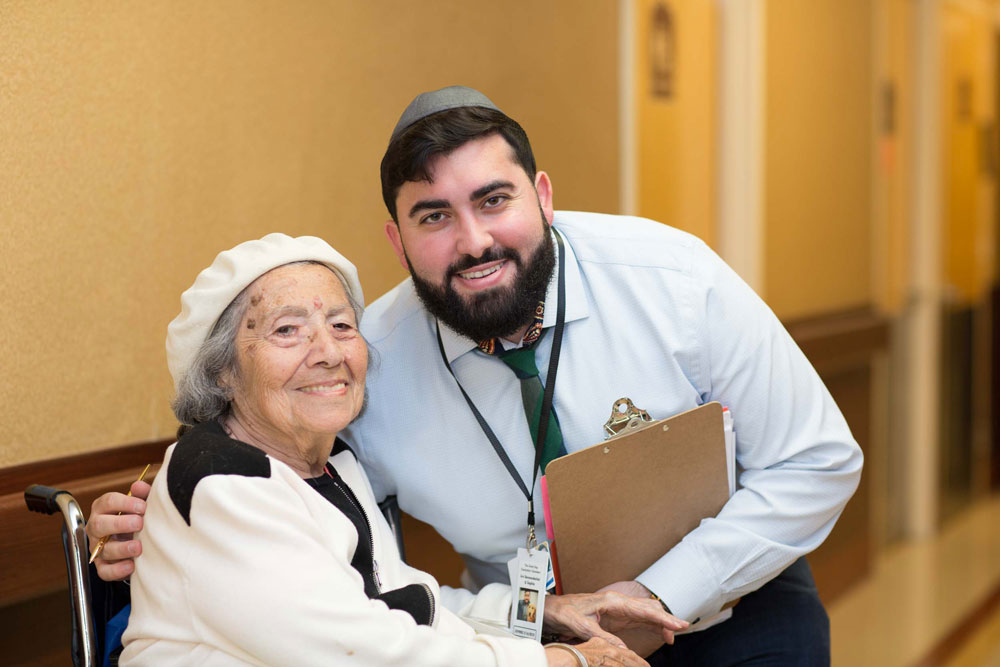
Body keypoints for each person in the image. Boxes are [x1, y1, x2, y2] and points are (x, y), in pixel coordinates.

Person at [91, 86, 862, 664]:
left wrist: (664, 590)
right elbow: (263, 465)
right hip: (527, 624)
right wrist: (141, 517)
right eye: (434, 216)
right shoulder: (364, 357)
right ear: (397, 241)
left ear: (545, 197)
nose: (474, 240)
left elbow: (819, 459)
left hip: (732, 601)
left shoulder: (674, 281)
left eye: (495, 200)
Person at [112, 232, 669, 666]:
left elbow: (404, 601)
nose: (327, 351)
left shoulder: (331, 464)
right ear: (223, 372)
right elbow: (363, 649)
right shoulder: (224, 483)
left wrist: (544, 611)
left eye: (341, 324)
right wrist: (554, 658)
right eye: (287, 331)